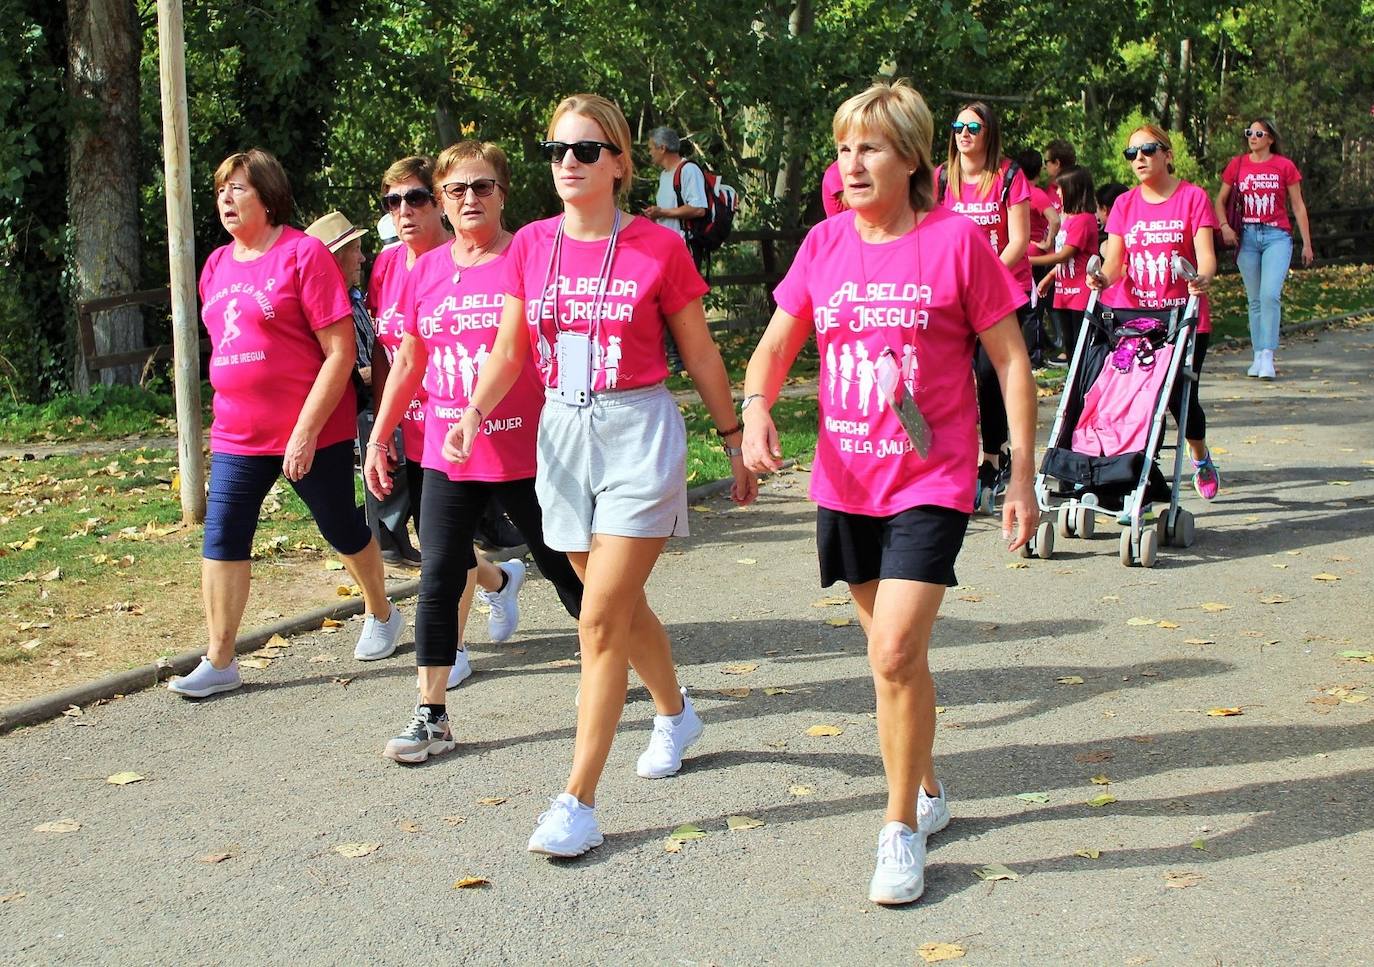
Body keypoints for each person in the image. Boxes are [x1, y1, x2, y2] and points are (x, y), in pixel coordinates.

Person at [742, 80, 1037, 905]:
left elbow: (1011, 360)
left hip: (930, 478)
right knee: (893, 661)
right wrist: (757, 408)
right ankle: (931, 783)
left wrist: (1020, 473)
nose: (853, 163)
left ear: (911, 156)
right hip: (845, 481)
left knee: (895, 651)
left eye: (870, 147)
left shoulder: (955, 243)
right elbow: (771, 350)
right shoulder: (825, 244)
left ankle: (900, 826)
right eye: (845, 148)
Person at [445, 93, 757, 857]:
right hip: (562, 431)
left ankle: (577, 798)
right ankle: (677, 711)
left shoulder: (657, 246)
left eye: (586, 150)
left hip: (637, 430)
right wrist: (475, 412)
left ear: (619, 162)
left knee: (596, 617)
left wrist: (735, 436)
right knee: (614, 606)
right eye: (557, 151)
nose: (569, 164)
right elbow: (511, 350)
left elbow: (702, 353)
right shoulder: (533, 245)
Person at [364, 140, 584, 763]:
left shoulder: (531, 255)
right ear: (441, 199)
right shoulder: (426, 268)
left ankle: (624, 665)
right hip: (447, 451)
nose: (469, 200)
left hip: (530, 446)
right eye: (456, 190)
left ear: (503, 193)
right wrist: (381, 437)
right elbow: (409, 358)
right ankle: (431, 713)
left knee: (568, 571)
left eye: (482, 187)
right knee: (438, 575)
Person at [168, 149, 404, 698]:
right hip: (236, 434)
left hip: (312, 427)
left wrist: (303, 431)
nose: (226, 199)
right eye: (222, 190)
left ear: (269, 197)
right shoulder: (216, 265)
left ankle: (380, 610)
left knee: (340, 527)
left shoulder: (304, 255)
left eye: (239, 189)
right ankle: (221, 658)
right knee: (223, 535)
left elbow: (341, 352)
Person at [1088, 125, 1221, 504]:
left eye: (1148, 150)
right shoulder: (1124, 205)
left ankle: (1199, 455)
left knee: (1182, 399)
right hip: (1135, 322)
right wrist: (1100, 277)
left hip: (1182, 318)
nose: (1140, 159)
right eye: (1132, 154)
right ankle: (1141, 478)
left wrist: (1202, 278)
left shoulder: (1193, 197)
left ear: (1167, 153)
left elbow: (1206, 256)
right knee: (1140, 401)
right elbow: (1115, 264)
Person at [935, 101, 1032, 508]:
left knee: (990, 373)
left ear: (989, 132)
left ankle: (993, 455)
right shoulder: (942, 178)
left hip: (1001, 291)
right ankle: (952, 459)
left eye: (973, 126)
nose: (964, 133)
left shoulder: (1009, 176)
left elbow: (1019, 241)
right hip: (954, 294)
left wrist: (982, 277)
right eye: (957, 125)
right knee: (953, 375)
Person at [364, 157, 451, 566]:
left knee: (441, 548)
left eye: (416, 198)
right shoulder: (385, 265)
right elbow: (385, 354)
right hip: (413, 430)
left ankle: (605, 617)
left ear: (439, 202)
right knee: (441, 546)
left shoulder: (460, 260)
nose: (404, 210)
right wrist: (386, 424)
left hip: (458, 427)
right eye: (392, 201)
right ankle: (501, 581)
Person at [1215, 117, 1314, 379]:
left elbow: (1298, 205)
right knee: (1254, 299)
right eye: (1250, 132)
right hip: (1246, 235)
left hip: (1276, 236)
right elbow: (1220, 200)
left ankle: (1268, 353)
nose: (1253, 137)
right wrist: (1224, 226)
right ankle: (1258, 354)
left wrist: (1307, 243)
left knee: (1270, 294)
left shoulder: (1284, 166)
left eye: (1259, 133)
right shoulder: (1237, 165)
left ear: (1270, 138)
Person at [303, 211, 373, 405]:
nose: (362, 258)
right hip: (347, 410)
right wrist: (364, 375)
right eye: (356, 250)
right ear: (334, 258)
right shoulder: (316, 310)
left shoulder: (357, 299)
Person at [1030, 166, 1098, 363]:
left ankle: (1082, 389)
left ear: (1074, 189)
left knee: (1080, 348)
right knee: (1070, 348)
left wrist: (1027, 261)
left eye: (1061, 188)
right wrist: (1049, 278)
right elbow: (1063, 258)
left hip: (1080, 294)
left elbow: (1065, 254)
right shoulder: (1068, 219)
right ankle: (1072, 389)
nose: (1057, 192)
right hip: (1063, 293)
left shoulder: (1084, 220)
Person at [1043, 138, 1077, 208]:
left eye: (1046, 162)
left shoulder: (1077, 195)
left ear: (1057, 163)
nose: (1044, 166)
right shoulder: (1083, 191)